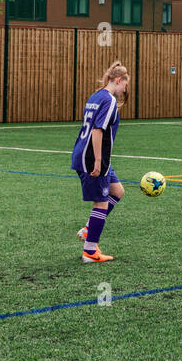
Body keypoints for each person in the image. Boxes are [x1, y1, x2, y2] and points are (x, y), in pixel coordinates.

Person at [71, 61, 129, 263]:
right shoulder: (109, 100)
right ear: (119, 80)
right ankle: (89, 252)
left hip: (83, 152)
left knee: (118, 191)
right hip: (93, 157)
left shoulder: (96, 95)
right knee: (101, 203)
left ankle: (88, 229)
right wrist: (98, 160)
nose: (124, 90)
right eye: (124, 85)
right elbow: (97, 130)